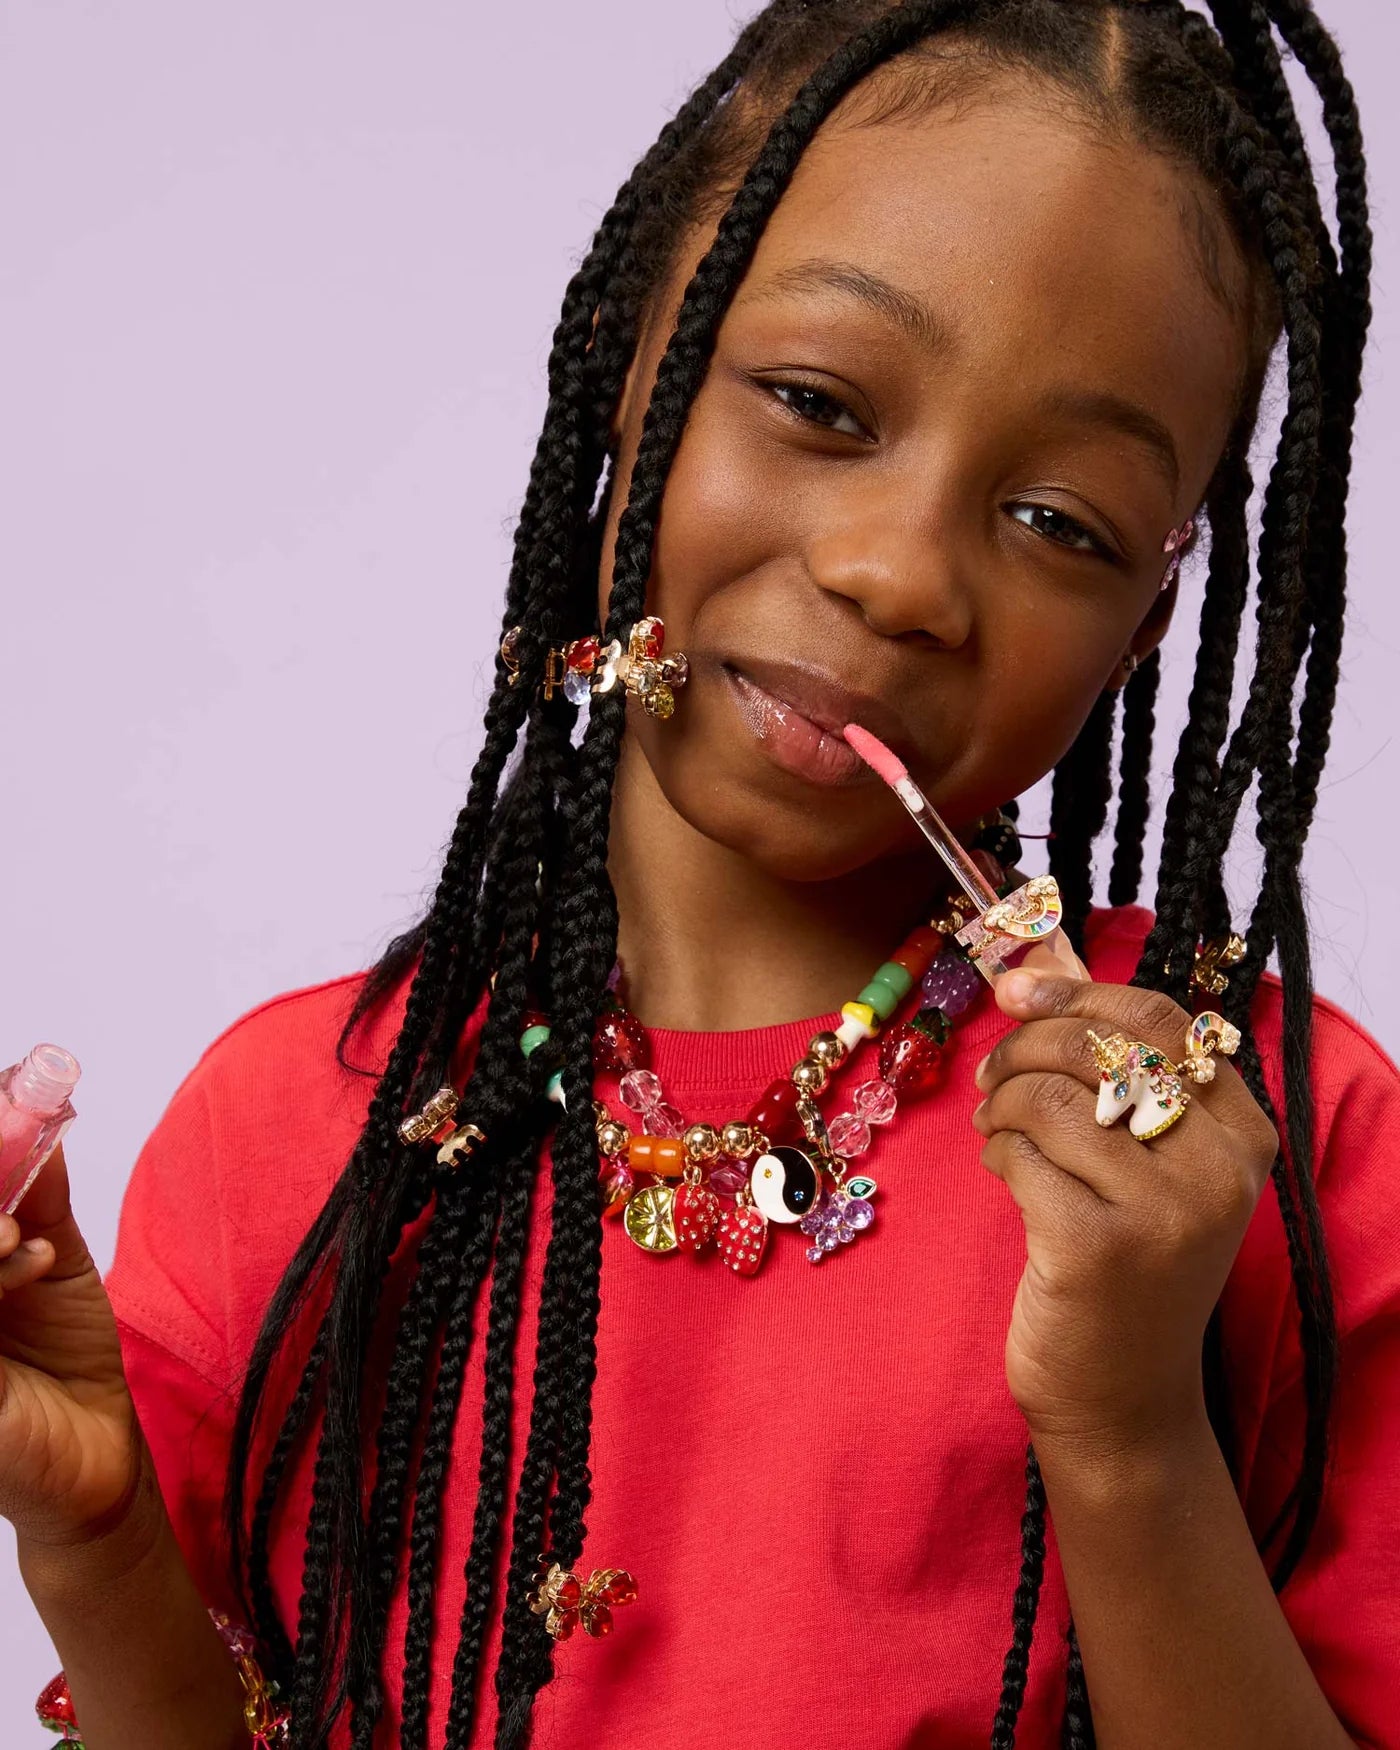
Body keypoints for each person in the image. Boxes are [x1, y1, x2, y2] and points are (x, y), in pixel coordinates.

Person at [0, 0, 1391, 1745]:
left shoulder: (1266, 1149)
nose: (897, 574)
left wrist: (1127, 1430)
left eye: (1061, 521)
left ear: (1149, 619)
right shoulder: (295, 1128)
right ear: (624, 359)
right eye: (817, 403)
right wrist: (98, 1540)